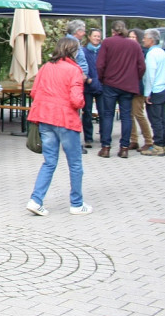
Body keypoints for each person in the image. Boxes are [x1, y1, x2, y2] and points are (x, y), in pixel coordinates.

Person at [25, 37, 93, 216]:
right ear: (74, 52)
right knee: (75, 163)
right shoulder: (74, 70)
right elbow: (77, 100)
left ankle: (36, 200)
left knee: (49, 162)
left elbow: (34, 92)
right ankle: (77, 203)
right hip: (65, 120)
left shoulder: (46, 67)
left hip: (45, 118)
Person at [95, 21, 145, 159]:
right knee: (126, 116)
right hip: (128, 85)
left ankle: (105, 147)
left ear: (112, 31)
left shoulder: (107, 42)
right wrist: (135, 78)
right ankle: (124, 148)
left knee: (107, 115)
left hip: (110, 84)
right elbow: (142, 66)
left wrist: (102, 78)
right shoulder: (134, 44)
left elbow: (100, 64)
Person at [140, 29, 165, 156]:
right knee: (163, 118)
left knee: (155, 119)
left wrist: (147, 93)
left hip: (155, 90)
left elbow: (150, 75)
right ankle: (164, 144)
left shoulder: (151, 54)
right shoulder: (163, 53)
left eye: (145, 37)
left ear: (151, 40)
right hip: (163, 88)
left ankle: (158, 145)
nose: (143, 39)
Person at [127, 28, 154, 153]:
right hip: (129, 87)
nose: (131, 39)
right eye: (129, 37)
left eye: (133, 37)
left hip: (139, 87)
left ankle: (148, 141)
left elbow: (142, 71)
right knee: (129, 115)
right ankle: (134, 140)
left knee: (138, 114)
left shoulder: (144, 52)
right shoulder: (128, 51)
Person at [82, 29, 103, 147]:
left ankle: (104, 136)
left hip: (101, 86)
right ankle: (88, 138)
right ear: (89, 37)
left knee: (103, 113)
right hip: (87, 86)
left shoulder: (103, 51)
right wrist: (88, 78)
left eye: (98, 36)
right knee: (87, 113)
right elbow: (81, 66)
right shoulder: (84, 51)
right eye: (95, 36)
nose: (97, 38)